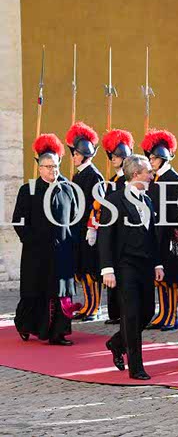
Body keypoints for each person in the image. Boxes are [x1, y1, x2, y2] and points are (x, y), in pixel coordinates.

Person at [13, 134, 80, 345]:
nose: (53, 170)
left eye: (56, 166)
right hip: (36, 253)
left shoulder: (68, 189)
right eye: (48, 167)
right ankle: (25, 324)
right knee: (35, 292)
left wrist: (72, 243)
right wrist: (31, 241)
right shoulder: (28, 190)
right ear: (40, 168)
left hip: (62, 252)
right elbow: (19, 221)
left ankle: (58, 333)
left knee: (61, 293)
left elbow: (75, 219)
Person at [101, 155, 162, 380]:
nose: (152, 175)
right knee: (132, 314)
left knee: (147, 312)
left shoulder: (148, 200)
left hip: (145, 266)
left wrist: (158, 263)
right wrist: (107, 269)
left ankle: (117, 343)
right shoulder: (114, 200)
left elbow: (152, 235)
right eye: (148, 172)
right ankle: (136, 367)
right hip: (124, 266)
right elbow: (105, 236)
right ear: (136, 174)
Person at [141, 129, 178, 332]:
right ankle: (163, 313)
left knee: (171, 278)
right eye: (150, 158)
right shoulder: (154, 179)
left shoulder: (175, 179)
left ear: (164, 158)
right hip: (156, 234)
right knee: (160, 279)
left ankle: (171, 315)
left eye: (154, 158)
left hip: (169, 236)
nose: (151, 161)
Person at [66, 122, 103, 322]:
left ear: (85, 155)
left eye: (76, 154)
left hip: (89, 229)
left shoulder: (94, 175)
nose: (73, 157)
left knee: (90, 271)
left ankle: (95, 307)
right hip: (77, 227)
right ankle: (87, 304)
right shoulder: (78, 174)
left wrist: (92, 227)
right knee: (81, 270)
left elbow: (98, 205)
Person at [98, 128, 134, 325]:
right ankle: (115, 312)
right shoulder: (113, 180)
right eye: (112, 155)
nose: (113, 158)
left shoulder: (124, 182)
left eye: (117, 156)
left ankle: (122, 312)